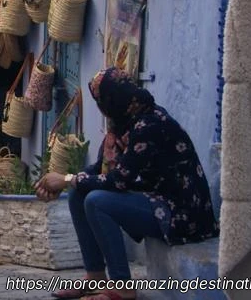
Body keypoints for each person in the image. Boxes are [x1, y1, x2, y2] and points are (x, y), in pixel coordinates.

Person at [35, 68, 218, 300]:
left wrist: (68, 179)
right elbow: (100, 169)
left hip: (181, 212)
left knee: (96, 201)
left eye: (101, 102)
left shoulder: (148, 125)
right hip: (158, 200)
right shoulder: (124, 123)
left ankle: (122, 286)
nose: (101, 109)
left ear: (113, 100)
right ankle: (95, 277)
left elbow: (119, 180)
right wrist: (64, 183)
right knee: (78, 195)